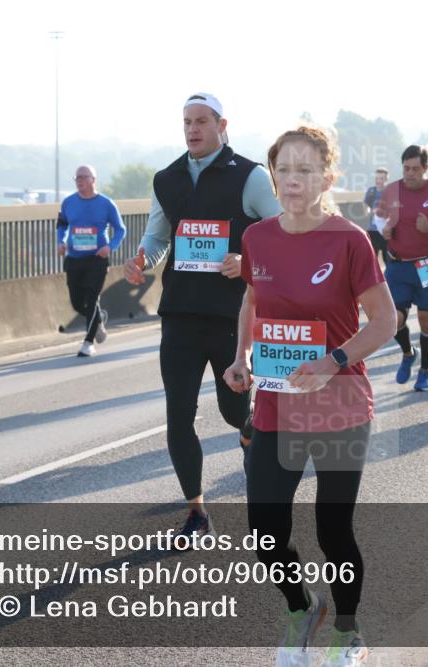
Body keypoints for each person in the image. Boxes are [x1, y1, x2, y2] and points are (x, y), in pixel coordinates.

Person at [223, 125, 395, 667]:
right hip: (276, 404)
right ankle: (302, 608)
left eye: (305, 169)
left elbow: (385, 320)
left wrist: (333, 360)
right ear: (271, 174)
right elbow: (252, 300)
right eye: (283, 168)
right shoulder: (257, 238)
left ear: (327, 177)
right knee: (265, 534)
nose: (292, 179)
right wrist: (241, 357)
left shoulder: (349, 239)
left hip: (339, 401)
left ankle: (347, 631)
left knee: (333, 528)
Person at [123, 92, 282, 541]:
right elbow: (157, 239)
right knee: (179, 416)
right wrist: (141, 261)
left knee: (235, 414)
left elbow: (277, 232)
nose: (192, 129)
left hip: (231, 317)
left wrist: (244, 258)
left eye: (200, 121)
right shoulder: (166, 178)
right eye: (186, 122)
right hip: (180, 315)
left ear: (221, 124)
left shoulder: (249, 175)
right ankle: (196, 511)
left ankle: (250, 430)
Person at [373, 145, 428, 392]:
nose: (409, 173)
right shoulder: (392, 190)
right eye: (405, 168)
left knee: (426, 321)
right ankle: (408, 352)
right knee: (393, 319)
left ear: (425, 168)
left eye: (415, 169)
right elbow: (378, 217)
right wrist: (384, 229)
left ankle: (425, 370)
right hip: (399, 264)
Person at [56, 164, 126, 357]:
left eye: (83, 177)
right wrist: (61, 242)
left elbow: (121, 229)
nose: (79, 181)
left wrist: (109, 247)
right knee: (78, 303)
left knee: (92, 297)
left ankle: (88, 343)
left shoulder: (106, 204)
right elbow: (62, 225)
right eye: (77, 178)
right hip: (74, 258)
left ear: (93, 180)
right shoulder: (68, 202)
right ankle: (98, 320)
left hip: (97, 259)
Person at [363, 168, 390, 264]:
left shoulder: (389, 191)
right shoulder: (371, 191)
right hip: (373, 230)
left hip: (385, 230)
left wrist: (383, 213)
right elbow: (365, 205)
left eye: (381, 178)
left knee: (387, 259)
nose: (378, 181)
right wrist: (368, 210)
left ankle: (388, 278)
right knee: (372, 259)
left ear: (386, 179)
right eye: (377, 178)